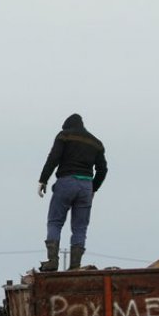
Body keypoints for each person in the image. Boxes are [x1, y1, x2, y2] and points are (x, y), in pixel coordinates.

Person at [37, 113, 108, 271]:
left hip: (66, 182)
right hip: (86, 186)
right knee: (80, 227)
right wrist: (93, 188)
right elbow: (103, 169)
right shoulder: (95, 142)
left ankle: (53, 261)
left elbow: (53, 158)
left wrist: (43, 179)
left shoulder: (65, 135)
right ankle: (75, 265)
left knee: (55, 222)